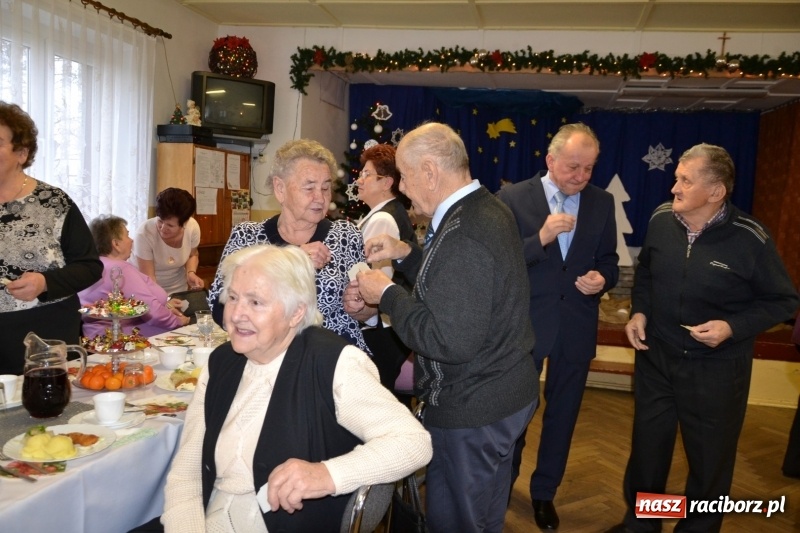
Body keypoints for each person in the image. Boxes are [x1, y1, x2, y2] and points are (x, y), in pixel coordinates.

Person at [349, 122, 539, 533]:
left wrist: (386, 295)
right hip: (501, 393)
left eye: (405, 175)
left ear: (431, 171)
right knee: (482, 515)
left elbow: (446, 339)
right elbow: (457, 290)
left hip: (475, 405)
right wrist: (406, 255)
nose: (401, 189)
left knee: (457, 522)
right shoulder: (481, 209)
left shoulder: (465, 232)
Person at [162, 244, 432, 532]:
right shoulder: (221, 364)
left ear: (295, 313)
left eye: (255, 302)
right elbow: (187, 473)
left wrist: (326, 474)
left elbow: (413, 442)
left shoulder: (332, 364)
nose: (237, 314)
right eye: (233, 297)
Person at [605, 144, 799, 533]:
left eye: (685, 181)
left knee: (710, 461)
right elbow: (646, 273)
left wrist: (732, 328)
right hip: (657, 358)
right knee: (649, 453)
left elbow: (783, 300)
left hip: (717, 370)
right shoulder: (661, 219)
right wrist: (640, 310)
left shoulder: (751, 238)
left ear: (715, 192)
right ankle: (644, 525)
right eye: (677, 177)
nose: (673, 187)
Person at [497, 122, 619, 530]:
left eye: (589, 168)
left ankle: (544, 493)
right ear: (550, 160)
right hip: (525, 326)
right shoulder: (513, 198)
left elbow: (609, 262)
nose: (581, 177)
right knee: (515, 413)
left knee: (562, 417)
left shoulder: (601, 203)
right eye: (573, 167)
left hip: (576, 326)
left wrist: (603, 280)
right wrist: (541, 239)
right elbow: (497, 261)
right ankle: (501, 486)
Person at [208, 139, 371, 354]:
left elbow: (368, 308)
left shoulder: (346, 236)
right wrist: (292, 260)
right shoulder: (247, 236)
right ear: (280, 188)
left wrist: (361, 306)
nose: (320, 198)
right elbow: (219, 306)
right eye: (309, 187)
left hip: (333, 357)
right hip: (263, 357)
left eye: (325, 187)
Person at [0, 101, 102, 375]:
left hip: (43, 330)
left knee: (43, 413)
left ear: (21, 152)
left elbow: (90, 266)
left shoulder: (53, 203)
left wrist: (45, 282)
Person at [355, 144, 415, 388]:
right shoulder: (387, 212)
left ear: (386, 182)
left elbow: (372, 278)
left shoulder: (383, 218)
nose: (359, 180)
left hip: (380, 330)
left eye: (367, 174)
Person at [79, 215, 189, 338]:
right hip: (122, 339)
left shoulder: (93, 265)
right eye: (127, 235)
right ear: (116, 244)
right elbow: (149, 309)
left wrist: (166, 309)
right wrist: (179, 321)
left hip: (96, 336)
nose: (131, 240)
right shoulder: (120, 269)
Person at [132, 187, 204, 296]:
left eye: (170, 225)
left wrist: (191, 272)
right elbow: (149, 279)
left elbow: (192, 255)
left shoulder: (192, 227)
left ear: (184, 224)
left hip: (178, 289)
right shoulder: (144, 234)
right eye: (160, 221)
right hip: (146, 291)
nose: (163, 228)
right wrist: (164, 303)